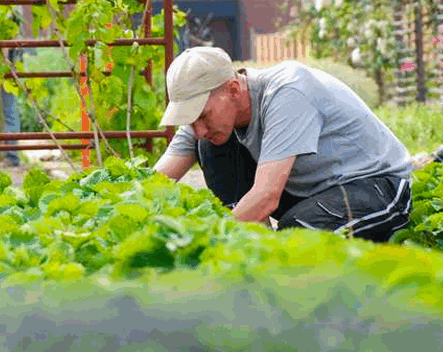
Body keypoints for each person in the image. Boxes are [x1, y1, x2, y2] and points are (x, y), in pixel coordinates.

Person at [154, 47, 413, 242]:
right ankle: (255, 246)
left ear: (233, 90)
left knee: (296, 236)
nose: (197, 129)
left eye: (202, 115)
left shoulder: (288, 92)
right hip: (312, 192)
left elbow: (266, 197)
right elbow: (154, 183)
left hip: (376, 186)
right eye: (190, 119)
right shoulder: (211, 117)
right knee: (209, 146)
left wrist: (206, 243)